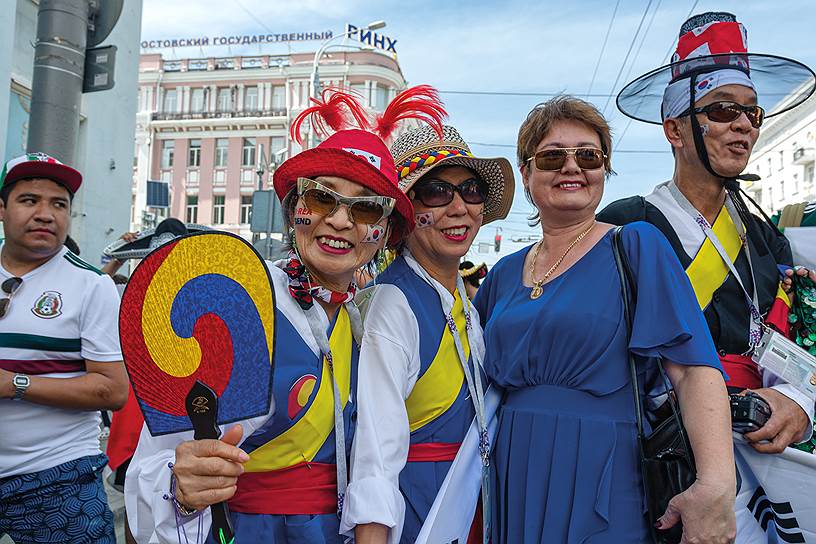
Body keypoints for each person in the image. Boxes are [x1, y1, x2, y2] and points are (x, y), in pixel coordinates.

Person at [125, 86, 446, 543]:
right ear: (295, 207)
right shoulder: (240, 305)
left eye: (366, 208)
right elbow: (156, 464)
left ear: (384, 233)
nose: (338, 220)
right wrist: (181, 484)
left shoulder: (372, 320)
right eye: (321, 198)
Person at [475, 96, 736, 543]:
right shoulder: (501, 274)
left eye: (588, 156)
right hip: (511, 467)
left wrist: (716, 485)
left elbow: (693, 371)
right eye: (553, 156)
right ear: (527, 173)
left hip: (606, 466)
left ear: (604, 170)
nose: (571, 167)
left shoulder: (636, 246)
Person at [598, 11, 816, 453]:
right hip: (657, 445)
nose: (744, 125)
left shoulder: (766, 236)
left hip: (761, 446)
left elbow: (797, 343)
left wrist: (799, 401)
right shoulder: (626, 223)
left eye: (751, 112)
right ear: (674, 130)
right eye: (722, 109)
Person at [342, 124, 514, 544]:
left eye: (471, 190)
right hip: (418, 520)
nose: (459, 208)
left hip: (469, 510)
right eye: (437, 192)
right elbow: (375, 457)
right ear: (406, 213)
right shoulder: (392, 304)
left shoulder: (467, 307)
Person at [0, 153, 128, 543]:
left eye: (59, 204)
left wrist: (14, 384)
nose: (45, 214)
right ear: (1, 209)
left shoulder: (91, 285)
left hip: (56, 477)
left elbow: (113, 390)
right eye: (29, 200)